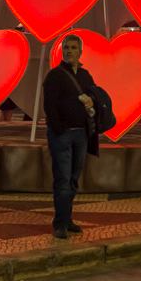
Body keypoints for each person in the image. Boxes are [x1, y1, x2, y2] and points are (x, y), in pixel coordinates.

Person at [42, 34, 100, 240]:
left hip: (81, 135)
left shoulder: (85, 76)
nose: (69, 51)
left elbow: (95, 96)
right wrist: (59, 129)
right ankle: (59, 223)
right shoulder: (55, 76)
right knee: (63, 179)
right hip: (63, 135)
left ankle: (67, 219)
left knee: (74, 178)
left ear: (80, 52)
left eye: (73, 48)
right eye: (66, 47)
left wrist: (92, 103)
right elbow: (49, 105)